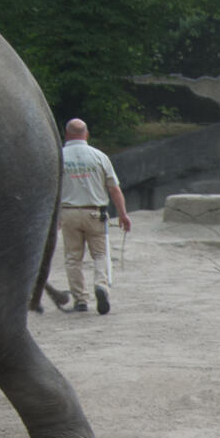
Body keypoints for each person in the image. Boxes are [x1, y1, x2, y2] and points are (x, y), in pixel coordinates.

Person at [59, 118, 132, 315]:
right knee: (100, 254)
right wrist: (123, 214)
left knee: (73, 258)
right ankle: (101, 285)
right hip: (95, 213)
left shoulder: (59, 157)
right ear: (87, 134)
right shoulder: (99, 156)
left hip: (69, 213)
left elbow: (51, 189)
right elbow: (114, 189)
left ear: (66, 134)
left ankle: (80, 299)